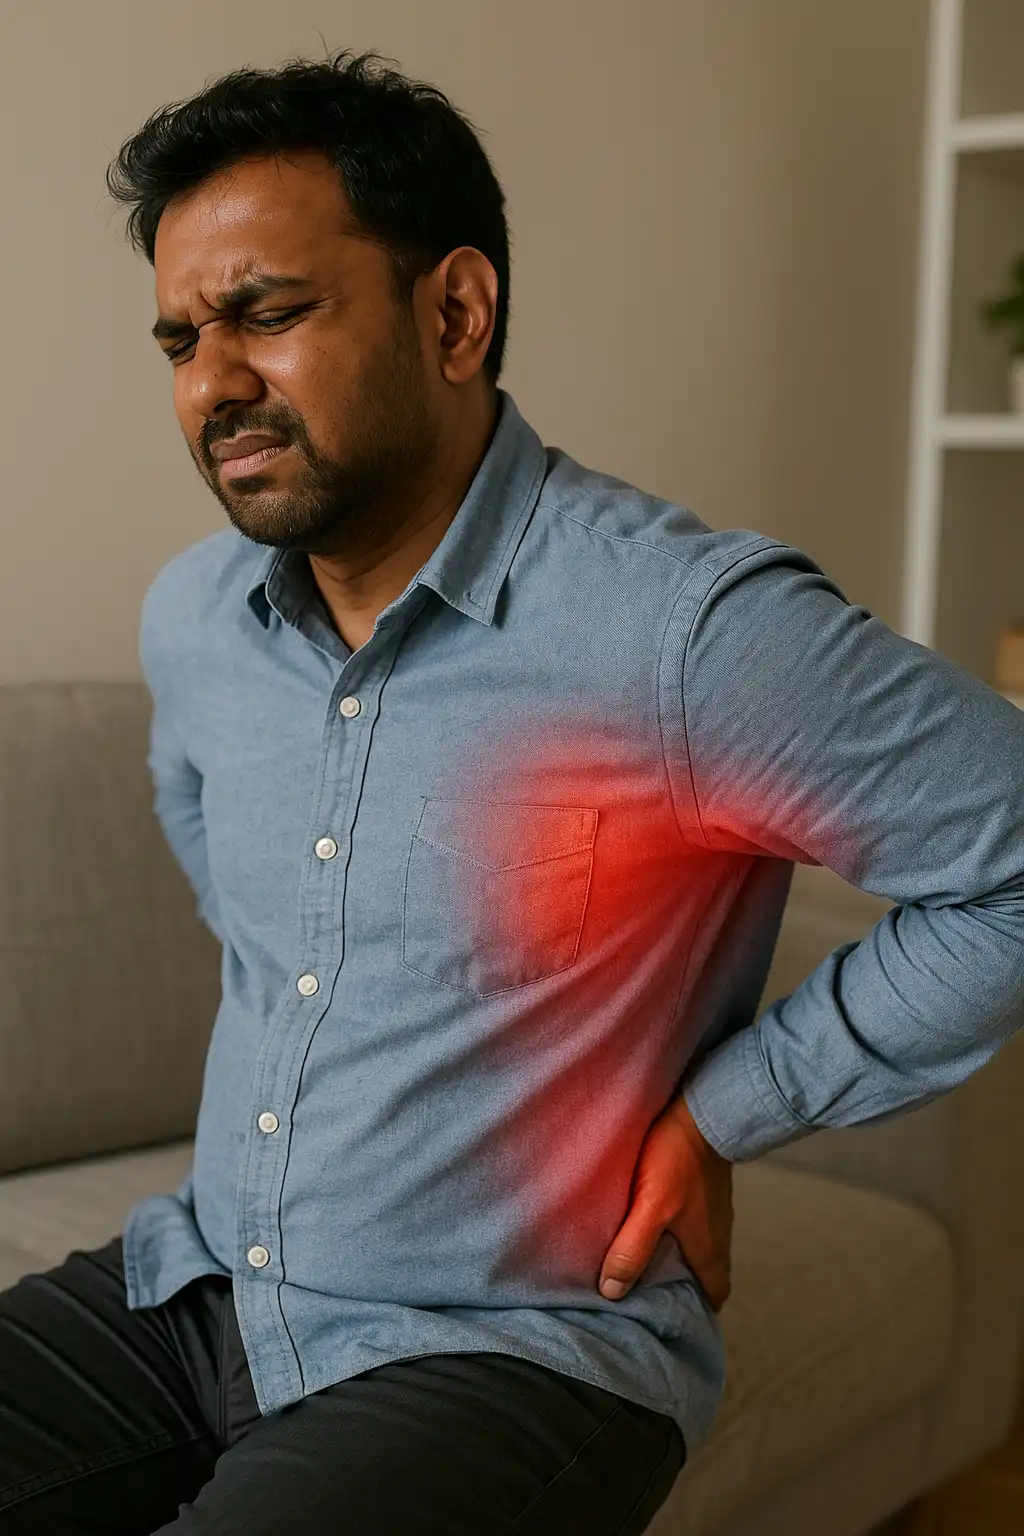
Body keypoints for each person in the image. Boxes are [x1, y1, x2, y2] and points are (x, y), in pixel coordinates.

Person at [2, 45, 1022, 1536]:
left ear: (456, 312)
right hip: (201, 1283)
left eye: (266, 315)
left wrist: (728, 1106)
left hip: (507, 1350)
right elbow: (200, 812)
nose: (213, 383)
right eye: (178, 341)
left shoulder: (681, 630)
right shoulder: (195, 619)